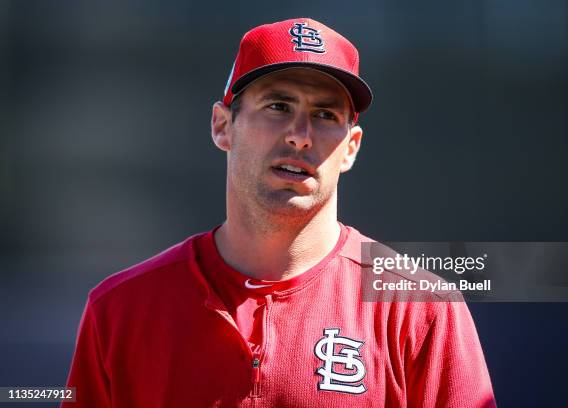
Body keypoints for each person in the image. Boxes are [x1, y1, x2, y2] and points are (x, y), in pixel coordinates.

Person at [63, 18, 496, 407]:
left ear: (351, 147)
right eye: (278, 106)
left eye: (325, 114)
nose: (301, 136)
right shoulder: (121, 309)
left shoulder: (418, 309)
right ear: (222, 125)